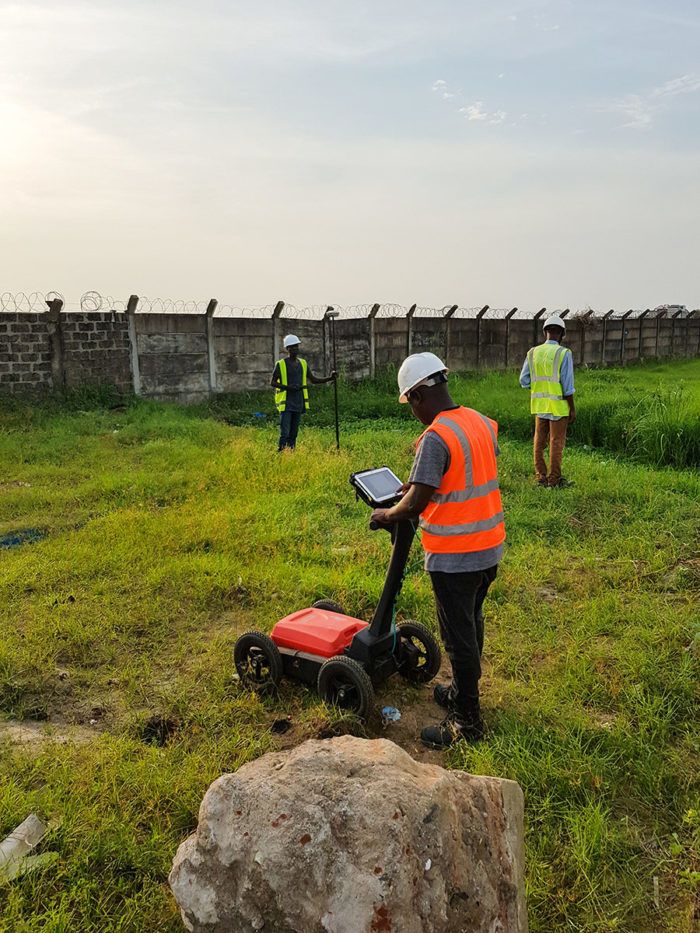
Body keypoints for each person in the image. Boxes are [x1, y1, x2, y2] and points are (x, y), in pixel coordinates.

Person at [370, 352, 505, 750]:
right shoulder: (480, 422)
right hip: (489, 547)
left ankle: (467, 722)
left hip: (455, 555)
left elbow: (415, 505)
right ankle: (462, 691)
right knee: (471, 624)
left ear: (415, 396)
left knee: (458, 639)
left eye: (410, 403)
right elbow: (460, 476)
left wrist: (388, 514)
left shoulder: (435, 436)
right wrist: (413, 488)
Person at [519, 314, 576, 488]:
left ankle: (540, 477)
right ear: (562, 334)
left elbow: (524, 380)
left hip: (539, 406)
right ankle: (554, 480)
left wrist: (539, 388)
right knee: (556, 443)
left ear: (545, 332)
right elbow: (567, 386)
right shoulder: (563, 353)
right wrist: (572, 408)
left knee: (539, 441)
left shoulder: (533, 352)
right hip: (558, 407)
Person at [271, 335, 336, 451]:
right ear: (287, 348)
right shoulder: (280, 364)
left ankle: (291, 453)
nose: (296, 349)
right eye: (292, 347)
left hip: (298, 403)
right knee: (285, 433)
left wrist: (330, 378)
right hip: (286, 404)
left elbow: (313, 379)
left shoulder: (303, 363)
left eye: (297, 346)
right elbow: (272, 382)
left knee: (294, 433)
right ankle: (280, 454)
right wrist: (288, 387)